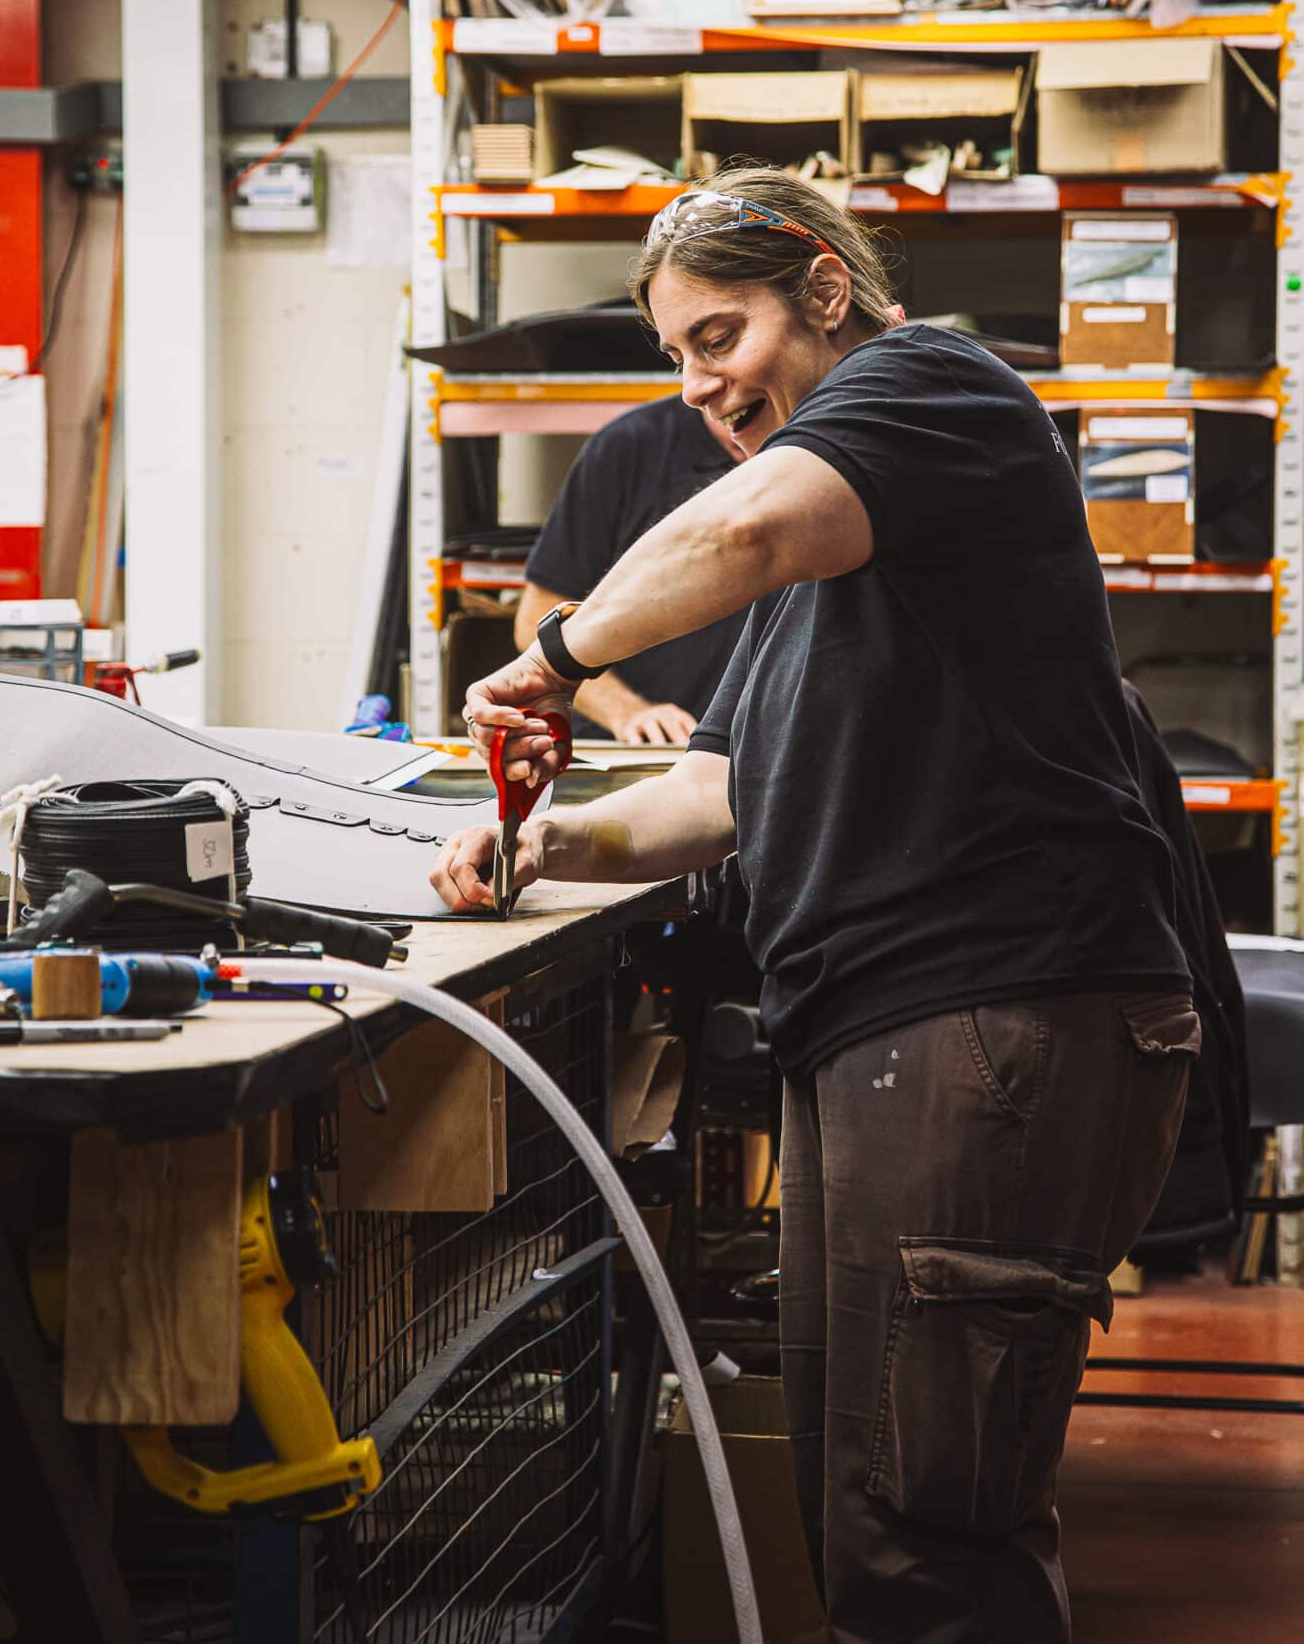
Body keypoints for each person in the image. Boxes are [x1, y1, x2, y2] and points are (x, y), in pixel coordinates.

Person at [431, 165, 1198, 1644]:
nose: (697, 383)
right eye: (674, 353)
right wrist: (540, 846)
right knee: (862, 1506)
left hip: (995, 1013)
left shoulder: (933, 390)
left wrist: (557, 658)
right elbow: (720, 789)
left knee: (928, 1527)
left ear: (827, 292)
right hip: (882, 1026)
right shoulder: (831, 540)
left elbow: (739, 536)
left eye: (719, 335)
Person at [515, 396, 747, 743]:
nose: (700, 387)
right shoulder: (630, 444)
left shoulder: (822, 457)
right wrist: (626, 712)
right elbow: (536, 616)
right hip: (640, 748)